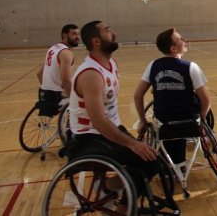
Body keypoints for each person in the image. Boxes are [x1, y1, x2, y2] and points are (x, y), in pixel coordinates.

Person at [67, 21, 159, 184]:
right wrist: (132, 144)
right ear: (96, 41)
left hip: (110, 129)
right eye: (108, 31)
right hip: (90, 135)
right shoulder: (91, 74)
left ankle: (114, 191)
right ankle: (112, 194)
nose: (114, 33)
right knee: (148, 163)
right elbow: (99, 121)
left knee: (153, 159)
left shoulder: (111, 64)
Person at [133, 28, 211, 164]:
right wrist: (203, 119)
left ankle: (171, 162)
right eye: (180, 38)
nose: (184, 40)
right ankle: (199, 142)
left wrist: (142, 120)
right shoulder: (191, 67)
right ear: (174, 49)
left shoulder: (153, 66)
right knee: (201, 105)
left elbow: (137, 96)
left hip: (164, 120)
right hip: (189, 119)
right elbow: (206, 100)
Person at [35, 24, 80, 114]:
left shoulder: (53, 48)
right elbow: (66, 81)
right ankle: (71, 127)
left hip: (44, 92)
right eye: (74, 34)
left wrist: (47, 88)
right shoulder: (66, 53)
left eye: (78, 34)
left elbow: (39, 73)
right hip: (57, 95)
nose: (77, 37)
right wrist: (74, 98)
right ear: (64, 35)